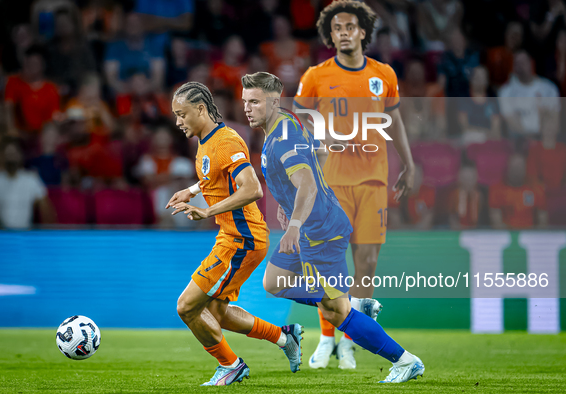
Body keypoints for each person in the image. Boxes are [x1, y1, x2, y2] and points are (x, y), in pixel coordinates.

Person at [242, 71, 424, 383]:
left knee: (336, 314)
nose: (247, 108)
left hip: (321, 232)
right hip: (317, 223)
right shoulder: (286, 122)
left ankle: (405, 360)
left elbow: (308, 183)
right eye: (245, 101)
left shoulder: (282, 138)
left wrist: (296, 220)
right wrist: (294, 202)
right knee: (274, 282)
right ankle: (353, 300)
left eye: (255, 102)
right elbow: (321, 153)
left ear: (273, 102)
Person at [293, 0, 415, 370]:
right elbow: (299, 119)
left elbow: (394, 120)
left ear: (363, 31)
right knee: (327, 264)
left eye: (350, 27)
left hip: (373, 181)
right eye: (337, 29)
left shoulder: (383, 74)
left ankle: (349, 342)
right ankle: (326, 338)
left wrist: (408, 163)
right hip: (331, 183)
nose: (343, 33)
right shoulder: (315, 76)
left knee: (366, 263)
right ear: (330, 36)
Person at [164, 82, 302, 386]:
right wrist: (190, 191)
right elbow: (214, 176)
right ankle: (284, 337)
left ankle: (231, 365)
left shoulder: (225, 141)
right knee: (216, 312)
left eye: (181, 114)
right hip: (234, 236)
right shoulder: (206, 140)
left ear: (200, 109)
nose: (178, 122)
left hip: (243, 238)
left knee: (187, 306)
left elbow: (252, 188)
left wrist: (207, 211)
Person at [0, 139, 54, 229]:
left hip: (25, 235)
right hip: (2, 235)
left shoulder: (31, 179)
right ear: (3, 156)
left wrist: (46, 236)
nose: (11, 157)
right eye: (8, 154)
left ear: (20, 155)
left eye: (14, 153)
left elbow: (46, 210)